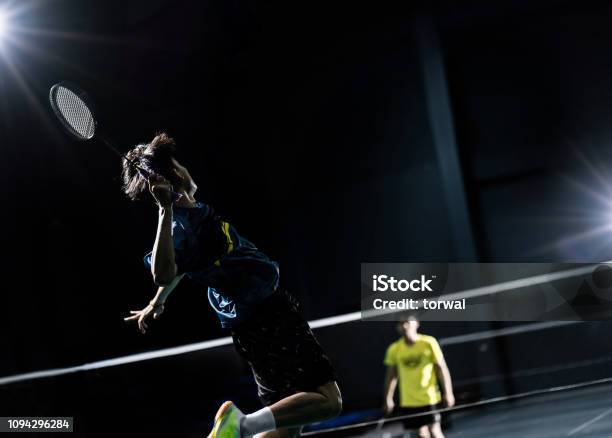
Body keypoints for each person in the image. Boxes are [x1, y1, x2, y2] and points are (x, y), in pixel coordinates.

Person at [122, 133, 341, 438]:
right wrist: (164, 208)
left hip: (252, 326)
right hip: (268, 316)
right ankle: (241, 425)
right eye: (177, 164)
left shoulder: (191, 216)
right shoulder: (179, 224)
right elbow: (162, 272)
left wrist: (157, 302)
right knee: (329, 402)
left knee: (287, 427)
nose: (186, 168)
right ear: (172, 174)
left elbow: (177, 270)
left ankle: (239, 430)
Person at [383, 317, 454, 438]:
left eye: (407, 322)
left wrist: (448, 392)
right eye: (401, 324)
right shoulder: (394, 349)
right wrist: (388, 398)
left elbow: (442, 369)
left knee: (435, 431)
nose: (404, 326)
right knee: (420, 434)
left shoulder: (429, 342)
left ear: (416, 323)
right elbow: (391, 376)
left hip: (430, 398)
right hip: (408, 402)